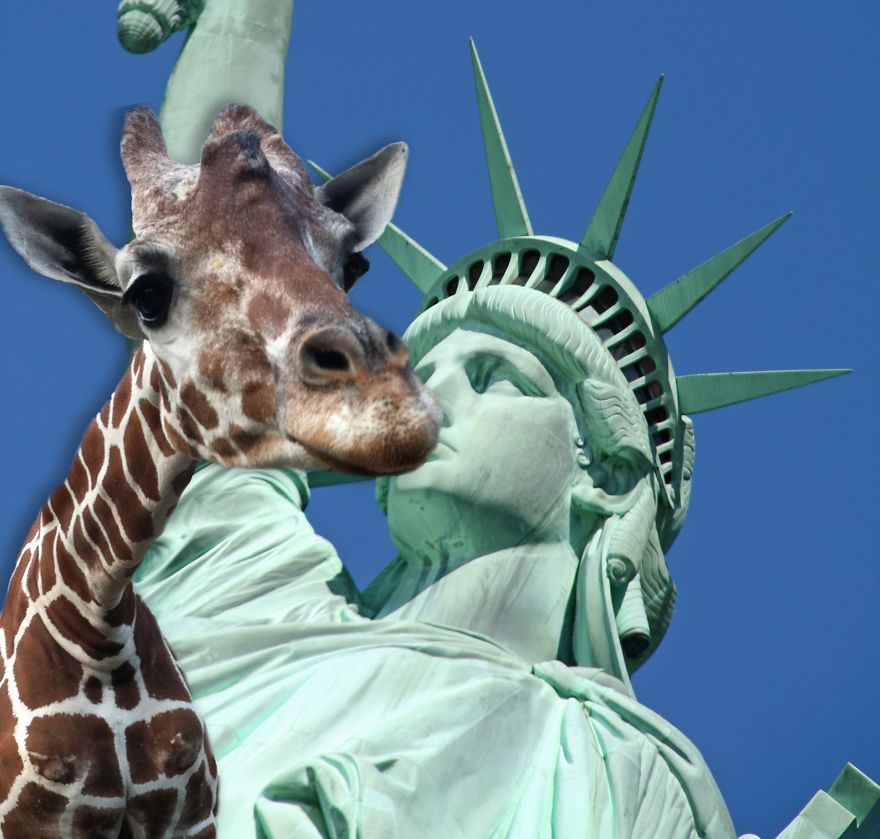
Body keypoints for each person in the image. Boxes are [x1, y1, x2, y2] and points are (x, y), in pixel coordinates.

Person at [135, 283, 735, 838]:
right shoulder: (252, 592)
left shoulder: (612, 765)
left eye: (496, 378)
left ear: (608, 473)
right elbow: (205, 375)